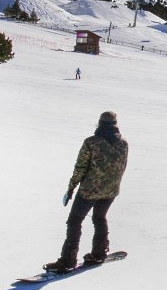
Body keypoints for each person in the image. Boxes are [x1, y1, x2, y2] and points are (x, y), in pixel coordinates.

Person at [44, 111, 129, 273]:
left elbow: (80, 168)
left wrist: (71, 188)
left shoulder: (91, 142)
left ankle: (68, 260)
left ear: (99, 123)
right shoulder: (123, 144)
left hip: (90, 190)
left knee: (75, 220)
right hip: (111, 190)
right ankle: (99, 253)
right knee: (99, 218)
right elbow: (122, 167)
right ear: (115, 124)